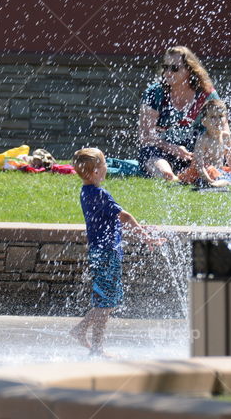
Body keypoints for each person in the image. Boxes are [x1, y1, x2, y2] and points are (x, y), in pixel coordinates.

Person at [70, 148, 164, 356]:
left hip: (99, 251)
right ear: (96, 171)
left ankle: (82, 331)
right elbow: (125, 217)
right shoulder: (100, 194)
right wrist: (145, 237)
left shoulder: (86, 192)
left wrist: (141, 229)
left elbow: (111, 222)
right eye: (104, 164)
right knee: (105, 304)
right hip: (106, 254)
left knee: (106, 301)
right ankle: (96, 348)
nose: (106, 167)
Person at [139, 46, 224, 181]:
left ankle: (202, 172)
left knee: (218, 153)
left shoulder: (206, 94)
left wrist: (206, 152)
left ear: (190, 70)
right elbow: (145, 136)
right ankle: (171, 177)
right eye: (165, 67)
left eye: (174, 68)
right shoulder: (154, 93)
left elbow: (223, 130)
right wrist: (173, 148)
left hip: (199, 150)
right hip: (163, 151)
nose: (167, 72)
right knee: (150, 154)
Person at [178, 99, 231, 187]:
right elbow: (199, 165)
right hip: (201, 172)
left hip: (218, 171)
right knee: (212, 172)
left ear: (226, 119)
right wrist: (208, 179)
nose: (218, 120)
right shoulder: (203, 139)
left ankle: (222, 181)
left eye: (220, 116)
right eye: (213, 117)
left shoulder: (225, 136)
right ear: (204, 122)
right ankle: (216, 183)